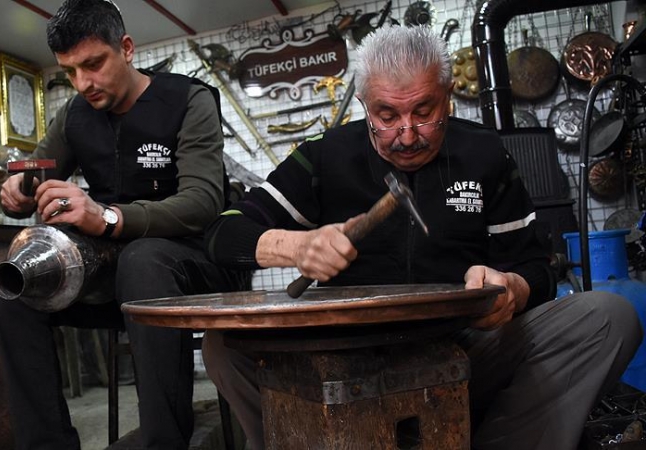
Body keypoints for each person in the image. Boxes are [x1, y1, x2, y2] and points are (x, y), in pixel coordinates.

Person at [201, 25, 642, 450]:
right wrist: (296, 246)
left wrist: (513, 289)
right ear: (363, 105)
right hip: (337, 355)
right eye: (387, 116)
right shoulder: (324, 156)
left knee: (609, 316)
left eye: (425, 112)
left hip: (464, 349)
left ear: (447, 98)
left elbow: (537, 268)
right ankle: (302, 442)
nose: (407, 136)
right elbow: (221, 233)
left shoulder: (482, 153)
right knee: (223, 345)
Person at [0, 0, 250, 449]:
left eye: (93, 64)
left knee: (144, 260)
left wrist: (106, 217)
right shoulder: (74, 116)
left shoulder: (190, 99)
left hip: (195, 265)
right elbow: (37, 169)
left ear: (125, 48)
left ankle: (163, 443)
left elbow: (204, 202)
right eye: (70, 71)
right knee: (10, 286)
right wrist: (15, 190)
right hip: (115, 275)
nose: (83, 83)